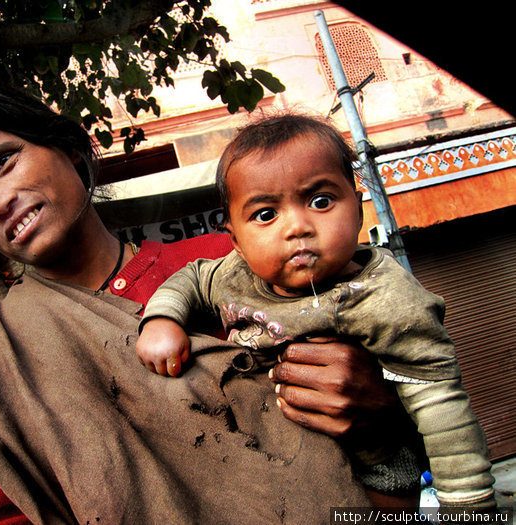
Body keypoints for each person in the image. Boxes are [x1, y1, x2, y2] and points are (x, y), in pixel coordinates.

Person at [0, 87, 423, 524]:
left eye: (2, 162)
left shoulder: (234, 267)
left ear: (71, 151)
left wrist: (378, 411)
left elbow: (405, 464)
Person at [136, 113, 496, 509]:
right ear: (236, 240)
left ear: (358, 210)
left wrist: (468, 504)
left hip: (372, 469)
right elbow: (192, 278)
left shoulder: (385, 297)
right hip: (267, 461)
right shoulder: (233, 275)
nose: (298, 227)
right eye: (265, 214)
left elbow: (441, 405)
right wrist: (162, 319)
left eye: (320, 201)